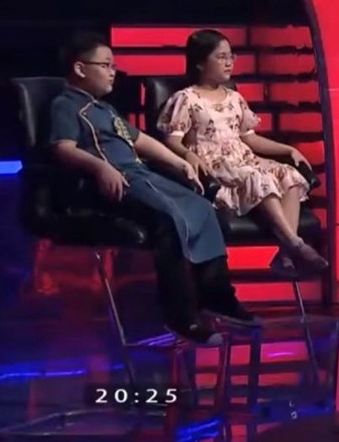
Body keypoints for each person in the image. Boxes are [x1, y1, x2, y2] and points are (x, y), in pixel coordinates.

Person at [47, 32, 259, 344]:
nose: (113, 72)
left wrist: (180, 162)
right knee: (169, 219)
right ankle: (181, 315)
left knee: (203, 208)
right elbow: (63, 148)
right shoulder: (66, 105)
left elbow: (141, 141)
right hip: (114, 181)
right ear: (80, 68)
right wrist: (101, 167)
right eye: (105, 65)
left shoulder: (104, 109)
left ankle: (218, 296)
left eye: (113, 65)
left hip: (142, 174)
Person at [157, 29, 327, 278]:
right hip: (214, 164)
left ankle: (286, 252)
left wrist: (289, 149)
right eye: (221, 57)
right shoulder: (186, 98)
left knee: (289, 175)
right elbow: (171, 140)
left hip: (243, 157)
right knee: (257, 177)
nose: (229, 62)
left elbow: (250, 138)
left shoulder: (235, 97)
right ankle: (296, 245)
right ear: (200, 62)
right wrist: (188, 155)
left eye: (231, 56)